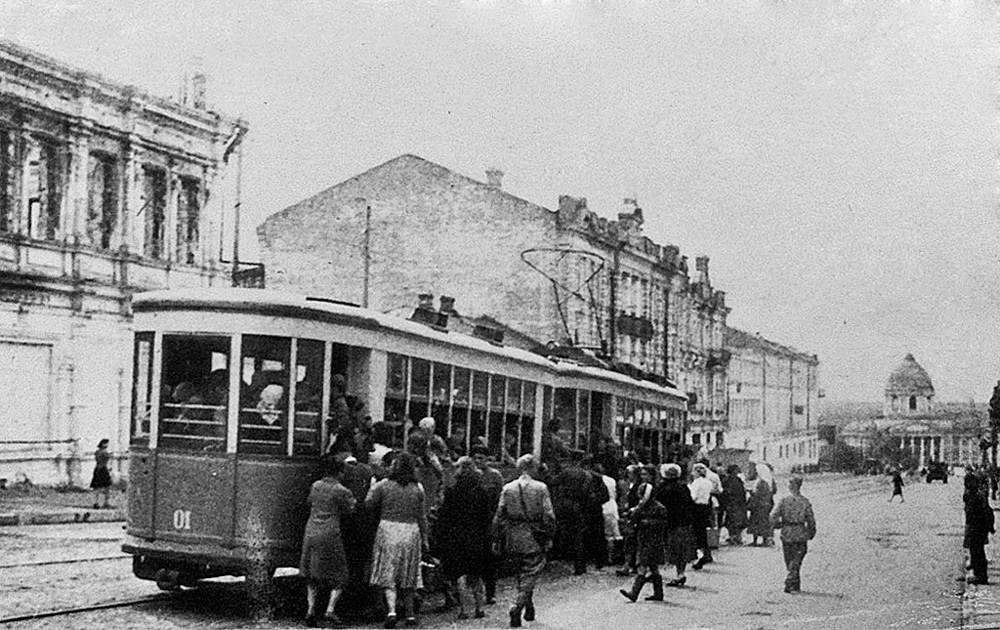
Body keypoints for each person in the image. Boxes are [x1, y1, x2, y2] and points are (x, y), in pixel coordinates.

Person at [367, 451, 428, 628]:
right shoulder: (418, 488)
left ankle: (391, 611)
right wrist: (425, 538)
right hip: (411, 531)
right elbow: (421, 516)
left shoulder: (383, 485)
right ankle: (409, 614)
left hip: (388, 529)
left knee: (388, 571)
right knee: (409, 572)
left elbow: (369, 503)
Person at [493, 454, 556, 628]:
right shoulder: (541, 488)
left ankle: (529, 608)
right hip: (534, 535)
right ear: (533, 468)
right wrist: (549, 535)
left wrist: (497, 537)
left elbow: (499, 515)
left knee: (521, 573)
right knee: (531, 571)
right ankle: (517, 605)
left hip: (513, 535)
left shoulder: (508, 488)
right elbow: (549, 515)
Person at [301, 454, 357, 627]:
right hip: (330, 532)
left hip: (311, 530)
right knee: (340, 576)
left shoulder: (316, 485)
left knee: (311, 575)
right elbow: (351, 509)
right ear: (339, 473)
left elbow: (309, 501)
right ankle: (330, 610)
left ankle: (310, 610)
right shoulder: (341, 490)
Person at [437, 457, 491, 620]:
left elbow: (444, 516)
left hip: (457, 537)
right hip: (477, 536)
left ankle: (464, 610)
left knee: (460, 574)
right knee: (476, 573)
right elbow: (487, 516)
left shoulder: (452, 491)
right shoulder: (481, 491)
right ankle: (479, 608)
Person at [619, 465, 666, 602]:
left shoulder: (655, 508)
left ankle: (634, 592)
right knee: (653, 567)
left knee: (643, 566)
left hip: (649, 540)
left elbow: (661, 523)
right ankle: (658, 593)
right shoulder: (650, 507)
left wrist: (644, 522)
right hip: (648, 540)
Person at [770, 476, 817, 594]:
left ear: (791, 486)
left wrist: (777, 525)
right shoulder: (805, 502)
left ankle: (792, 581)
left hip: (787, 532)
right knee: (797, 559)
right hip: (800, 532)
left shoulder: (784, 500)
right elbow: (811, 520)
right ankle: (793, 582)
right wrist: (811, 532)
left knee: (789, 559)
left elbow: (772, 516)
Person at [655, 463, 698, 587]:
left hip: (668, 523)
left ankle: (654, 573)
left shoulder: (662, 488)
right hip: (683, 522)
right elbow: (690, 503)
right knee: (681, 550)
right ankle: (680, 573)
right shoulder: (683, 487)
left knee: (666, 548)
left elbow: (659, 505)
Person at [472, 444, 505, 604]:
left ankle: (490, 592)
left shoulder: (495, 476)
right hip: (474, 521)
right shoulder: (471, 475)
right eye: (476, 458)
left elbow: (500, 499)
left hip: (490, 521)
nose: (478, 461)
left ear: (488, 459)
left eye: (481, 458)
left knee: (490, 559)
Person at [964, 471, 995, 585]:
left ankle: (981, 575)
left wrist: (989, 527)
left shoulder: (978, 496)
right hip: (975, 526)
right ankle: (978, 573)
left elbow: (987, 512)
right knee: (975, 550)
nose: (967, 485)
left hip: (979, 527)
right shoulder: (973, 495)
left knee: (978, 551)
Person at [689, 463, 715, 569]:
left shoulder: (696, 483)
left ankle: (700, 555)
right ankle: (706, 553)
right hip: (705, 508)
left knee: (696, 532)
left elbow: (693, 497)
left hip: (696, 508)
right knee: (702, 531)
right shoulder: (708, 483)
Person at [747, 462, 776, 547]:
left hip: (759, 505)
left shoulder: (761, 482)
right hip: (767, 504)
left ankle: (756, 540)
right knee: (763, 522)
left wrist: (751, 492)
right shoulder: (770, 480)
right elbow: (774, 491)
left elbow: (758, 494)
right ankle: (764, 540)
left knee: (756, 522)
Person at [721, 464, 748, 545]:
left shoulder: (738, 480)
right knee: (731, 521)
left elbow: (742, 491)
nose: (738, 471)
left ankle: (738, 537)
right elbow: (725, 492)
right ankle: (732, 537)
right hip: (732, 503)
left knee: (739, 521)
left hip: (739, 503)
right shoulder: (727, 480)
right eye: (736, 470)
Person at [90, 439, 113, 509]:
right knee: (106, 487)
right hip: (103, 469)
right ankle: (106, 502)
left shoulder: (97, 452)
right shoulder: (104, 452)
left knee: (97, 487)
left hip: (98, 469)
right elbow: (105, 460)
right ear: (103, 444)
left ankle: (96, 502)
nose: (107, 445)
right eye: (106, 443)